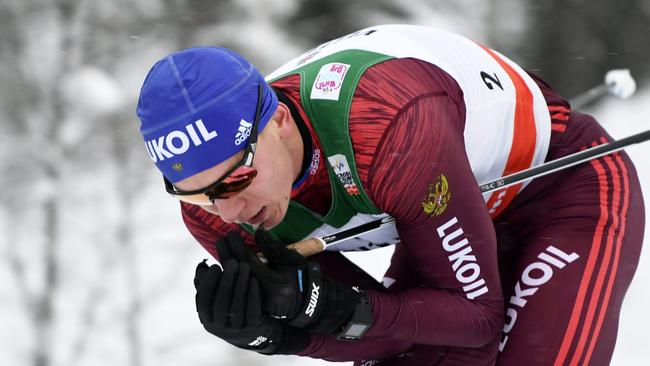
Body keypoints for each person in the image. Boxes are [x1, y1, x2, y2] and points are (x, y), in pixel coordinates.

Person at [135, 24, 645, 365]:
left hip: (559, 189)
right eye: (197, 196)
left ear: (281, 122)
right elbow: (381, 331)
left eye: (239, 178)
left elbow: (476, 318)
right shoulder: (216, 216)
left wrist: (334, 310)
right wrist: (278, 331)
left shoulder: (385, 127)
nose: (230, 211)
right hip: (441, 213)